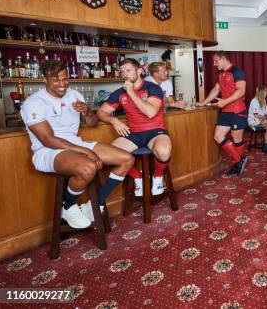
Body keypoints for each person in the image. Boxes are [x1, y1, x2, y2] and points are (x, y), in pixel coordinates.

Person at [22, 60, 134, 229]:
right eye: (56, 80)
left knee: (126, 159)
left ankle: (95, 203)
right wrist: (86, 152)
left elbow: (92, 123)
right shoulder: (33, 103)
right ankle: (67, 206)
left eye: (65, 79)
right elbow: (48, 140)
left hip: (74, 143)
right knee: (88, 167)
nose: (62, 84)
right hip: (47, 151)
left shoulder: (74, 95)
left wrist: (88, 112)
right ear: (45, 80)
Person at [97, 58, 172, 196]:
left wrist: (131, 92)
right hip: (134, 133)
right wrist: (113, 120)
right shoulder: (119, 92)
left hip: (155, 131)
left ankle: (157, 176)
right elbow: (101, 112)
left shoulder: (152, 88)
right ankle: (138, 177)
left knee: (164, 152)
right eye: (122, 71)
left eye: (128, 70)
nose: (124, 74)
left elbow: (150, 112)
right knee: (109, 156)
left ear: (139, 71)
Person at [198, 51, 249, 176]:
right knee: (218, 136)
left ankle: (238, 165)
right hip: (226, 110)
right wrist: (203, 102)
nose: (214, 64)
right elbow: (216, 90)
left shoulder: (237, 72)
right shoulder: (221, 74)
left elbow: (241, 91)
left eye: (216, 61)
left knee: (237, 139)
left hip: (238, 110)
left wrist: (225, 101)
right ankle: (239, 161)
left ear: (223, 59)